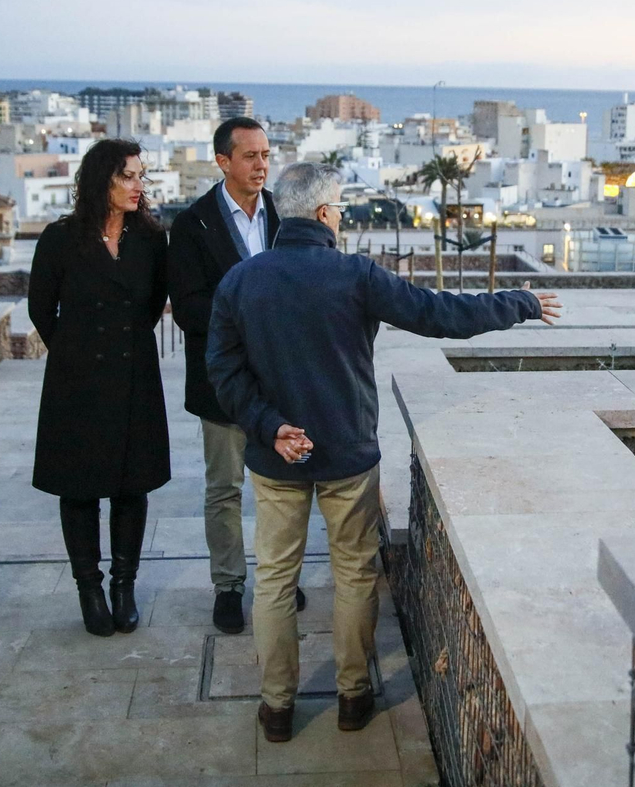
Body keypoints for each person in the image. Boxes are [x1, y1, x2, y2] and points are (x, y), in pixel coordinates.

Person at [207, 163, 561, 743]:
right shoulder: (355, 275)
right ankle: (353, 696)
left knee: (272, 579)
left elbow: (223, 369)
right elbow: (441, 314)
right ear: (323, 214)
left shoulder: (242, 280)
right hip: (347, 453)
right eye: (340, 207)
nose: (342, 215)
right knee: (353, 572)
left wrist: (270, 428)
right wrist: (518, 302)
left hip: (276, 458)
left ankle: (276, 708)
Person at [167, 116, 307, 635]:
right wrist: (249, 318)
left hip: (280, 380)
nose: (262, 165)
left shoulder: (284, 216)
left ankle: (279, 578)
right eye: (250, 156)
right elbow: (187, 307)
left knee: (282, 486)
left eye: (266, 155)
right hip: (222, 381)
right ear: (223, 161)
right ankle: (228, 586)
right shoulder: (191, 225)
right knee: (224, 488)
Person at [29, 139, 170, 637]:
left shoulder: (152, 239)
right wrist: (74, 352)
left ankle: (123, 586)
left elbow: (153, 305)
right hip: (77, 382)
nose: (138, 186)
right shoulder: (60, 238)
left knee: (132, 486)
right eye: (127, 176)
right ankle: (89, 588)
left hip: (134, 376)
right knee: (80, 487)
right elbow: (41, 309)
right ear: (100, 182)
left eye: (140, 176)